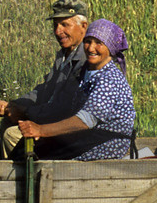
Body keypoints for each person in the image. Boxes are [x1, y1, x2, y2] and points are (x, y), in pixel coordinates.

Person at [14, 19, 135, 160]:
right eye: (88, 41)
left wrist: (40, 130)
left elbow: (86, 120)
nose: (90, 48)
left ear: (110, 48)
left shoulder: (109, 78)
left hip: (105, 144)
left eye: (99, 43)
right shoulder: (89, 71)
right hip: (87, 137)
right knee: (26, 150)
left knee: (43, 160)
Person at [0, 0, 90, 153]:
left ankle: (30, 175)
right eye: (55, 25)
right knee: (7, 123)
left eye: (64, 25)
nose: (58, 31)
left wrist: (25, 112)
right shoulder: (64, 55)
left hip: (69, 133)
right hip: (55, 124)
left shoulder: (85, 60)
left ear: (83, 27)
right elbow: (44, 91)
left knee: (11, 135)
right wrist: (12, 105)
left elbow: (62, 108)